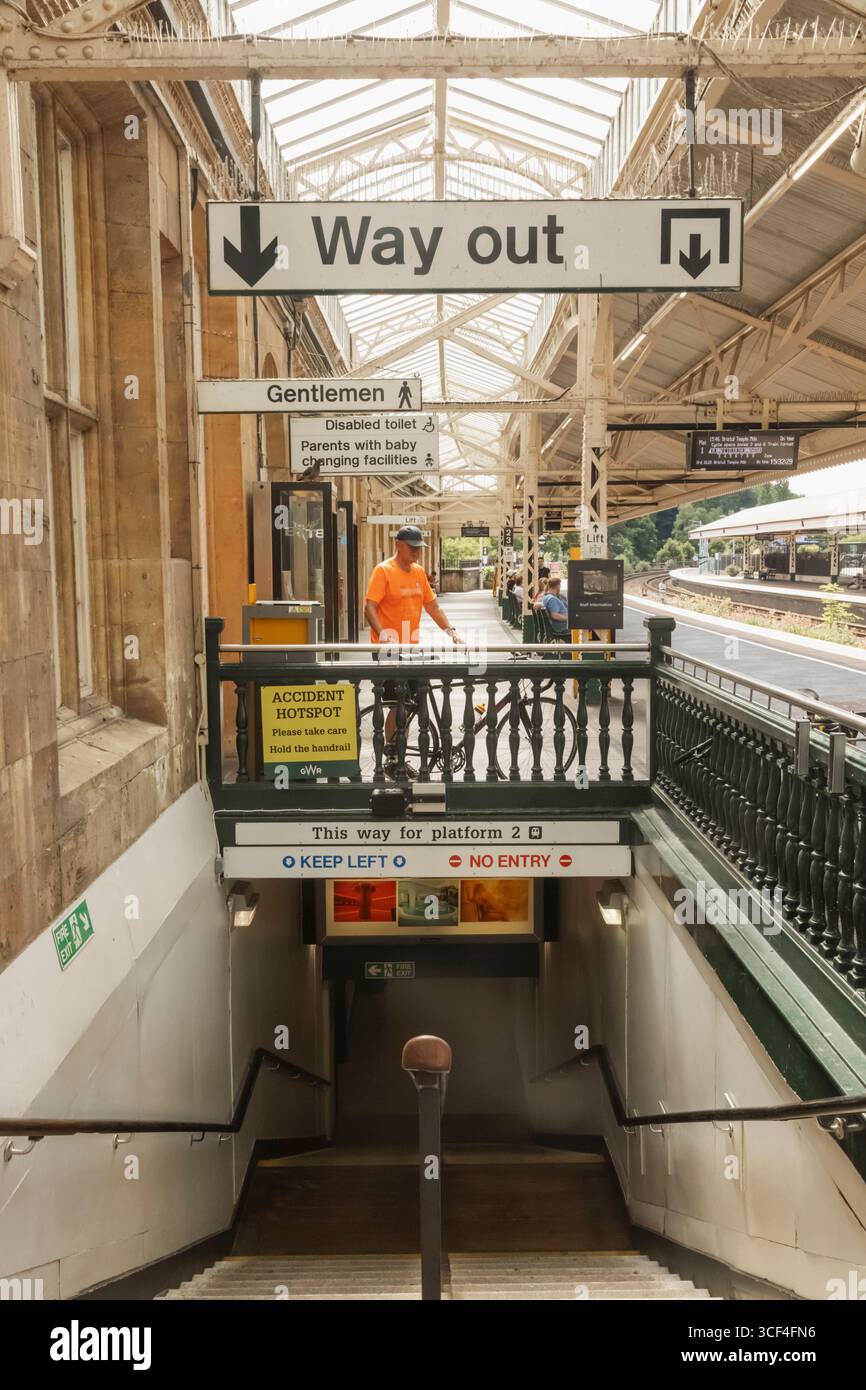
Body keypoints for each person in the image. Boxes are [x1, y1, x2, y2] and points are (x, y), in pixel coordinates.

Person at [364, 525, 462, 778]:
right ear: (398, 544)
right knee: (397, 706)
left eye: (419, 547)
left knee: (409, 705)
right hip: (389, 649)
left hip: (411, 647)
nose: (417, 552)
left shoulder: (418, 573)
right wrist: (383, 635)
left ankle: (400, 756)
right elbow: (370, 607)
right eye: (412, 547)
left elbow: (433, 607)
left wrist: (451, 631)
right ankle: (392, 757)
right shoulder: (383, 570)